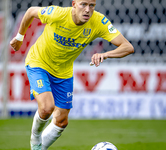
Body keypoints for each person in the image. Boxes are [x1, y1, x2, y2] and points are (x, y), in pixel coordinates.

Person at [10, 0, 134, 149]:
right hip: (39, 63)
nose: (88, 10)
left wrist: (106, 54)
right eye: (83, 4)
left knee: (62, 121)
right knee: (47, 108)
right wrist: (19, 37)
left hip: (63, 71)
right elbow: (30, 12)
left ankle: (38, 149)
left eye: (92, 6)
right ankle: (35, 141)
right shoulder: (58, 14)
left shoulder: (98, 21)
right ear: (74, 4)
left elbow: (128, 47)